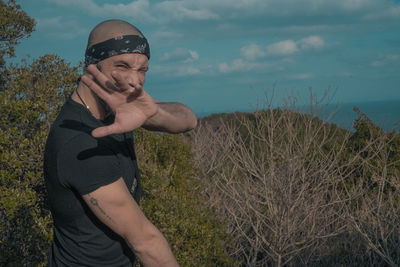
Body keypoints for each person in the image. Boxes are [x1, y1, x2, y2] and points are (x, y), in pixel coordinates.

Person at [43, 19, 197, 266]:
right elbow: (146, 242)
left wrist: (153, 114)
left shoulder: (118, 108)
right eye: (122, 66)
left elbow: (188, 120)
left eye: (143, 70)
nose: (135, 80)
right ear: (92, 66)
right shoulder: (79, 143)